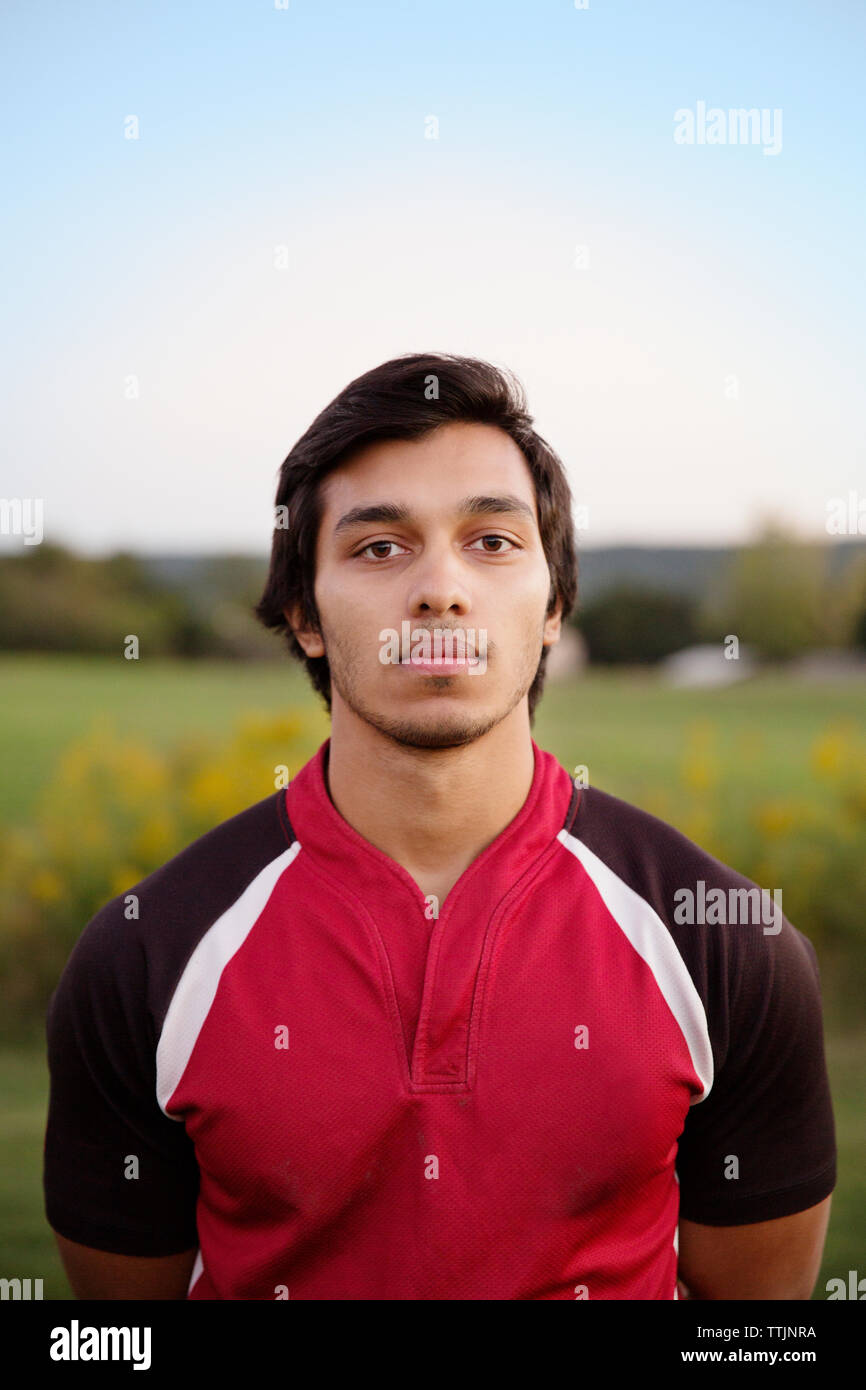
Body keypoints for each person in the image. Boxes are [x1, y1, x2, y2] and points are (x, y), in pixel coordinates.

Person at [43, 352, 835, 1300]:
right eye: (380, 548)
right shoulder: (147, 957)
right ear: (302, 612)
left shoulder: (726, 947)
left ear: (553, 607)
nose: (440, 589)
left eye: (492, 542)